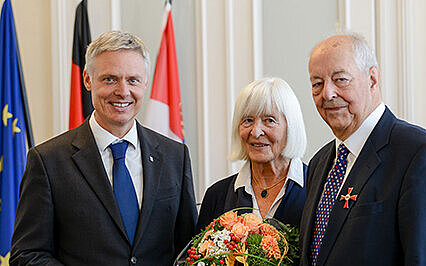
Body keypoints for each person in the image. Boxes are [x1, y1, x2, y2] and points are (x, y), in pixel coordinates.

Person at [10, 31, 197, 265]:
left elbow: (190, 249)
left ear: (145, 83)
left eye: (133, 80)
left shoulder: (174, 156)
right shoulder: (48, 161)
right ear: (88, 79)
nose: (122, 91)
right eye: (110, 79)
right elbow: (27, 254)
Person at [299, 34, 426, 265]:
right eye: (317, 83)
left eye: (340, 79)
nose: (327, 93)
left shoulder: (420, 154)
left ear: (372, 79)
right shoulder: (319, 163)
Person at [197, 77, 307, 231]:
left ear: (291, 127)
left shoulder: (317, 188)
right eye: (248, 120)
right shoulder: (217, 196)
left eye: (269, 120)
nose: (255, 132)